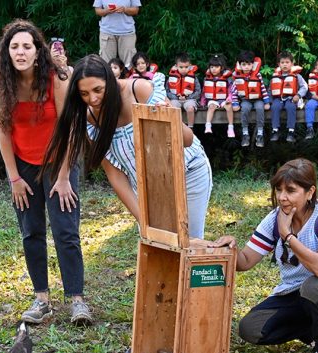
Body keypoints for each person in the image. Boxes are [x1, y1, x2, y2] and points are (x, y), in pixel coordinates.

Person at [209, 158, 318, 353]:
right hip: (296, 293)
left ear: (310, 192)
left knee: (314, 285)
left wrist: (288, 236)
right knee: (251, 328)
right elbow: (245, 262)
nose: (282, 197)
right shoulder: (275, 218)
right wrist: (230, 249)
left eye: (291, 190)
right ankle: (316, 330)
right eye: (279, 189)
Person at [44, 54, 213, 240]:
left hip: (189, 174)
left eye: (98, 89)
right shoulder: (91, 119)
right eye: (84, 94)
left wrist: (171, 117)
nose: (92, 99)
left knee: (189, 242)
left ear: (110, 79)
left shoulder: (139, 90)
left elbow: (187, 141)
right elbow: (115, 174)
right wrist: (143, 220)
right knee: (160, 245)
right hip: (148, 188)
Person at [0, 19, 90, 325]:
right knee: (31, 231)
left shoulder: (56, 78)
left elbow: (71, 128)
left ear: (37, 51)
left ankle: (77, 300)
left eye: (26, 46)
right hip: (23, 165)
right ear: (7, 52)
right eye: (14, 46)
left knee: (65, 230)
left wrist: (62, 178)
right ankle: (41, 300)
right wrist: (14, 179)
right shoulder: (0, 82)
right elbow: (3, 132)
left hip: (60, 160)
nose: (20, 52)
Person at [231, 50, 270, 147]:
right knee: (245, 108)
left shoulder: (257, 75)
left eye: (249, 64)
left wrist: (266, 102)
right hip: (245, 100)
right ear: (240, 65)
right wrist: (235, 103)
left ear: (253, 65)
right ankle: (245, 133)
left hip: (258, 99)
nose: (246, 67)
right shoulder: (237, 76)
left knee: (260, 108)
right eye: (244, 64)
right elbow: (234, 92)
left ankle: (260, 134)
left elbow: (263, 89)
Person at [269, 51, 307, 143]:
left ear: (292, 64)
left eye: (287, 62)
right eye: (282, 63)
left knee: (290, 107)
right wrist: (268, 101)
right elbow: (270, 90)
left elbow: (304, 87)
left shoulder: (297, 76)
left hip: (291, 98)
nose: (285, 65)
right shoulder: (275, 77)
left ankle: (291, 132)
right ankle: (275, 130)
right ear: (279, 64)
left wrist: (298, 95)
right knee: (274, 106)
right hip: (278, 98)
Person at [93, 0, 141, 68]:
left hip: (127, 32)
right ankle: (108, 78)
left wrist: (125, 9)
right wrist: (106, 11)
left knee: (129, 64)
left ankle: (128, 78)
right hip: (107, 31)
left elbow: (136, 10)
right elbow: (97, 10)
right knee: (106, 64)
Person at [201, 54, 236, 137]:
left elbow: (231, 90)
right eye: (212, 67)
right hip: (212, 100)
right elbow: (204, 91)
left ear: (222, 68)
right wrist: (203, 102)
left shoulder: (227, 78)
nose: (214, 69)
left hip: (224, 99)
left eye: (216, 67)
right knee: (211, 107)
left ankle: (230, 127)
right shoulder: (207, 78)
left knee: (229, 106)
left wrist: (229, 98)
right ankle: (208, 125)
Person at [166, 52, 201, 126]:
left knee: (190, 108)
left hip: (189, 99)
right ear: (176, 66)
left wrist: (187, 97)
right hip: (175, 99)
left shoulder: (194, 78)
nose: (184, 69)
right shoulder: (171, 78)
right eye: (181, 67)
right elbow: (167, 91)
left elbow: (198, 91)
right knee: (173, 107)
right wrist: (176, 96)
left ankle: (190, 128)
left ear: (190, 66)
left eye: (186, 67)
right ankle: (175, 126)